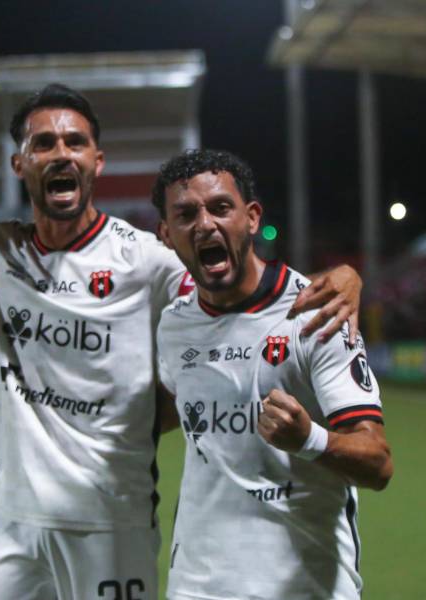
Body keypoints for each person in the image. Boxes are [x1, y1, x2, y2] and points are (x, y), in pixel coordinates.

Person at [0, 60, 364, 600]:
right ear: (19, 164)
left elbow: (244, 290)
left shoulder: (146, 260)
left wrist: (344, 277)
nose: (60, 152)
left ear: (97, 161)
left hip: (111, 521)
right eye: (43, 144)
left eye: (74, 142)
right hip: (13, 520)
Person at [153, 149, 393, 600]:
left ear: (251, 217)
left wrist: (309, 439)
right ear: (166, 234)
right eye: (186, 214)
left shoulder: (317, 313)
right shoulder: (174, 325)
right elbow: (165, 414)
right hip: (197, 586)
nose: (205, 224)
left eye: (221, 207)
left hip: (304, 587)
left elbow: (378, 463)